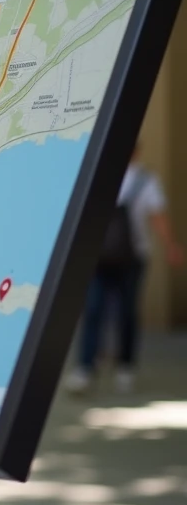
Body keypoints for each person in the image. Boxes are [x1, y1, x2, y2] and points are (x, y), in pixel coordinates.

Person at [68, 146, 184, 394]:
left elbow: (157, 215)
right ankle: (96, 367)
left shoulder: (141, 180)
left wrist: (171, 245)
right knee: (104, 309)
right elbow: (159, 217)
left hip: (130, 257)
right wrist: (171, 246)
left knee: (117, 311)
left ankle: (118, 366)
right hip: (101, 258)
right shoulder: (102, 176)